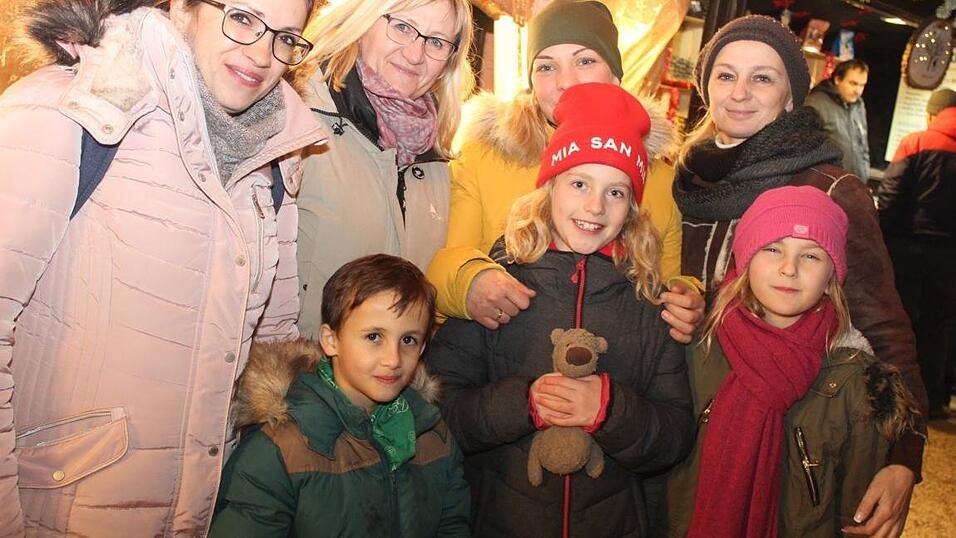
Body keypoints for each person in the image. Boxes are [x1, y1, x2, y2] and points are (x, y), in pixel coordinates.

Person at [0, 0, 327, 534]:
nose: (263, 54)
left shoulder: (276, 158)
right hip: (58, 507)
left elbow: (272, 340)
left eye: (286, 36)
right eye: (242, 18)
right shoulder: (65, 113)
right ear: (181, 9)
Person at [673, 15, 928, 537]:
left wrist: (905, 455)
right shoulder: (683, 181)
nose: (740, 93)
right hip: (692, 425)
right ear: (706, 87)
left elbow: (885, 329)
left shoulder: (828, 188)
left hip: (798, 437)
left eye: (762, 77)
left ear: (791, 95)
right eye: (725, 75)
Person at [425, 82, 694, 537]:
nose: (595, 206)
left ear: (632, 208)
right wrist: (524, 403)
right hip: (499, 519)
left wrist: (611, 410)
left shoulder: (649, 302)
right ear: (548, 188)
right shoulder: (499, 284)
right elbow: (437, 408)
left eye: (616, 192)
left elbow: (674, 436)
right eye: (579, 183)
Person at [424, 0, 704, 342]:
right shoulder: (486, 156)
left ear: (616, 75)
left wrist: (685, 298)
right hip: (507, 358)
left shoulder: (657, 179)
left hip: (610, 372)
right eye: (546, 67)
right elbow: (441, 267)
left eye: (585, 61)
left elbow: (664, 284)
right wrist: (468, 281)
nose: (565, 82)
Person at [666, 186, 918, 538]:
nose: (789, 269)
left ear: (832, 278)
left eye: (811, 256)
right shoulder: (700, 348)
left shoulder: (855, 381)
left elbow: (855, 510)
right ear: (744, 262)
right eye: (772, 249)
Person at [209, 254, 469, 536]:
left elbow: (453, 525)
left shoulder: (433, 433)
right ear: (331, 340)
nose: (393, 359)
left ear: (422, 348)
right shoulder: (280, 448)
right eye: (374, 337)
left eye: (408, 340)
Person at [294, 0, 474, 338]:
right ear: (363, 20)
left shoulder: (436, 157)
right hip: (298, 377)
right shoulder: (300, 118)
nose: (415, 54)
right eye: (403, 27)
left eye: (436, 42)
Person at [878, 88, 956, 419]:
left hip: (908, 248)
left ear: (931, 113)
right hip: (950, 254)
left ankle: (896, 398)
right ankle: (934, 399)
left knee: (900, 320)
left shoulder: (916, 142)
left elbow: (891, 196)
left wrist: (879, 234)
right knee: (939, 324)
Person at [805, 58, 871, 183]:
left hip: (855, 186)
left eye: (862, 85)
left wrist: (865, 173)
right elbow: (804, 150)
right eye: (853, 83)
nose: (858, 90)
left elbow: (863, 145)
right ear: (837, 79)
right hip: (827, 187)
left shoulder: (858, 105)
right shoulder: (815, 103)